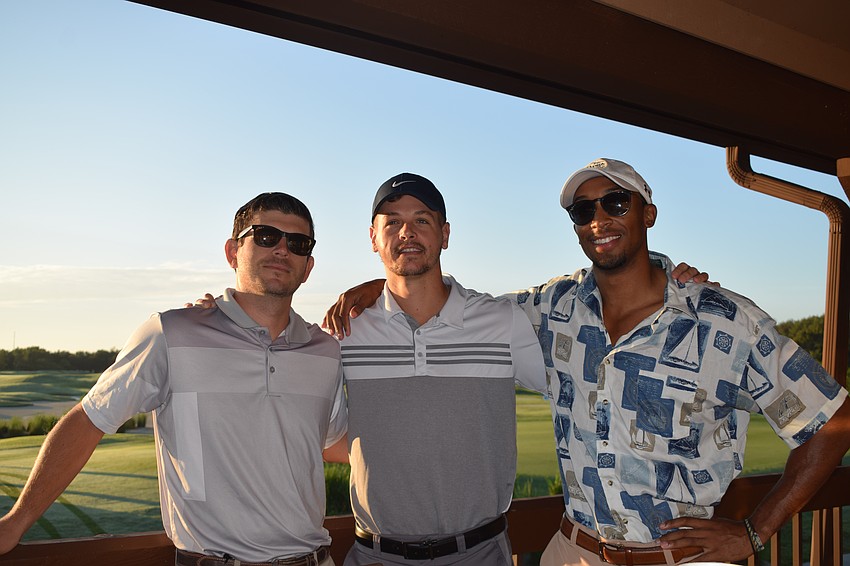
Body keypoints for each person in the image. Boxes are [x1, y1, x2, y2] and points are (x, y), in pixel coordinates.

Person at [324, 159, 850, 565]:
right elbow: (446, 303)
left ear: (647, 213)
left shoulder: (724, 320)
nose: (599, 219)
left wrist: (756, 530)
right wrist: (385, 285)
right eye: (583, 210)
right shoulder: (553, 307)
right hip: (574, 552)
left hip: (685, 558)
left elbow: (833, 422)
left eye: (615, 203)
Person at [321, 173, 707, 566]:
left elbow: (579, 376)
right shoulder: (346, 330)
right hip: (374, 556)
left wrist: (669, 287)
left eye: (422, 220)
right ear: (374, 237)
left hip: (480, 553)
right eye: (393, 222)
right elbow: (328, 437)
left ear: (445, 233)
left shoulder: (501, 319)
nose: (407, 232)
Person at [0, 192, 348, 566]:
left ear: (308, 266)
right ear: (233, 251)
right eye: (265, 235)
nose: (282, 249)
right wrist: (15, 522)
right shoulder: (170, 332)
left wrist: (382, 287)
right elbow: (88, 422)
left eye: (297, 243)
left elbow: (333, 445)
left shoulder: (325, 351)